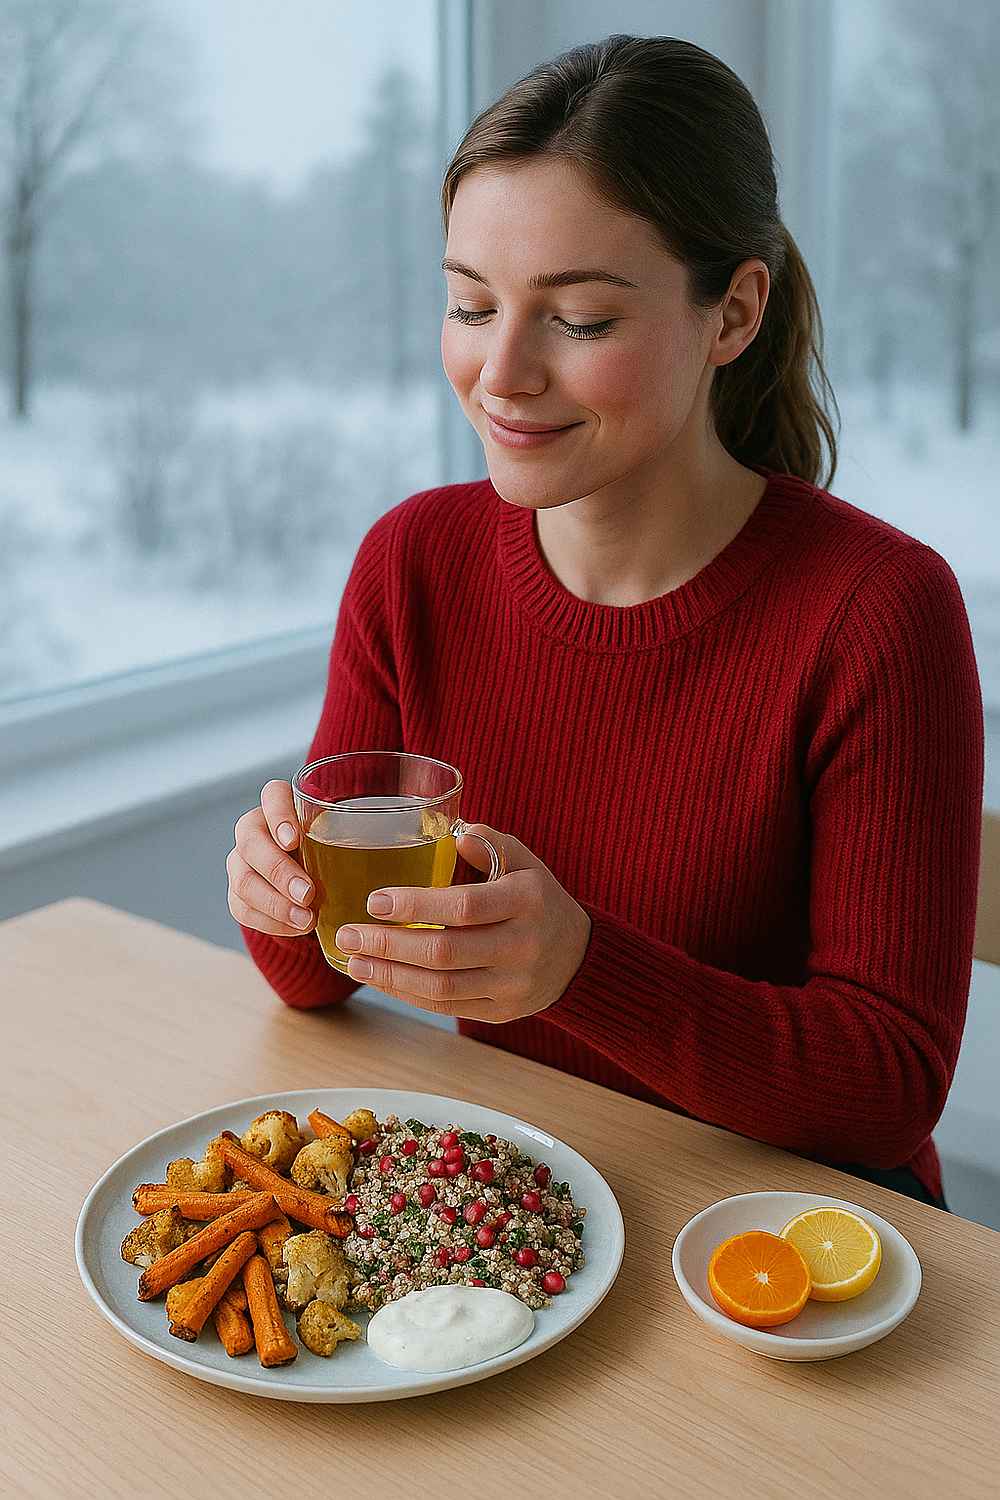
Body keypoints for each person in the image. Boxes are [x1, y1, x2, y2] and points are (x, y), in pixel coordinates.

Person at [227, 35, 984, 1214]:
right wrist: (277, 894)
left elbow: (889, 1089)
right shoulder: (411, 562)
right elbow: (313, 980)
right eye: (471, 304)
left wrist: (581, 970)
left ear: (732, 313)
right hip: (535, 1209)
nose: (501, 372)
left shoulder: (877, 612)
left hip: (780, 1246)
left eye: (577, 319)